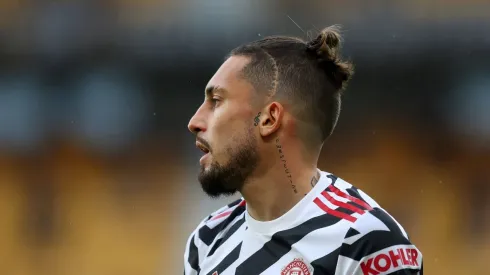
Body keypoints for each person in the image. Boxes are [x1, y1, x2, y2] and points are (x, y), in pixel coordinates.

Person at [184, 25, 423, 275]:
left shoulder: (363, 241)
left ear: (268, 118)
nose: (194, 121)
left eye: (216, 101)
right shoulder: (208, 239)